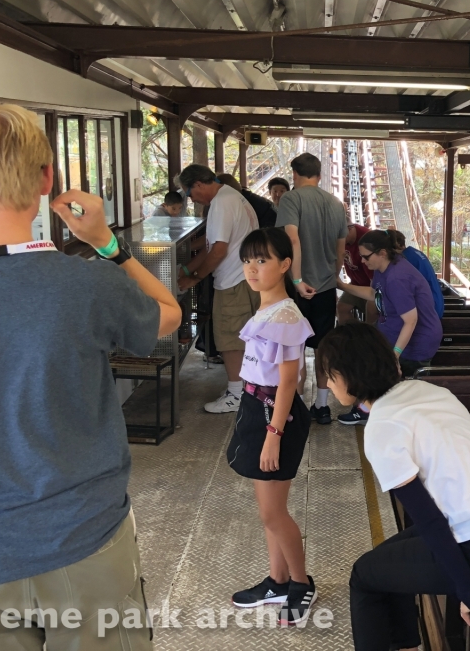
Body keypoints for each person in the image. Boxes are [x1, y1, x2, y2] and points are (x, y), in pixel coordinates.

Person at [0, 102, 182, 649]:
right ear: (46, 181)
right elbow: (169, 315)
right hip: (88, 540)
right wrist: (107, 242)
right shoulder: (86, 285)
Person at [316, 323, 470, 651]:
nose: (326, 382)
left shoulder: (382, 428)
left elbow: (428, 519)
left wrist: (469, 590)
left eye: (328, 373)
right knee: (382, 563)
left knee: (363, 577)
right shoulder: (429, 391)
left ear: (349, 374)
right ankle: (408, 646)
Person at [226, 228, 317, 625]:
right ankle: (277, 580)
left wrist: (273, 435)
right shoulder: (267, 309)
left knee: (272, 514)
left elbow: (287, 380)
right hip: (257, 406)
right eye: (248, 260)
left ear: (284, 265)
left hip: (273, 415)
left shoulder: (285, 315)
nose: (252, 268)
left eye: (262, 260)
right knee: (269, 511)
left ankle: (300, 583)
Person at [336, 230, 443, 425]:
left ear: (382, 253)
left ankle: (368, 410)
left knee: (376, 365)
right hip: (392, 329)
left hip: (415, 340)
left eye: (366, 257)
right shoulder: (383, 269)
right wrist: (342, 286)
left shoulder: (397, 278)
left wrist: (394, 354)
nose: (361, 262)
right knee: (363, 352)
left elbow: (411, 320)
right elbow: (374, 293)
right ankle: (367, 406)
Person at [176, 164, 260, 414]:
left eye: (189, 193)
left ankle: (236, 395)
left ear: (199, 184)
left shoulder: (222, 203)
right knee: (240, 339)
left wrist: (195, 278)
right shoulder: (232, 197)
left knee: (230, 341)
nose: (191, 198)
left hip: (234, 281)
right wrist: (188, 270)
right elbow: (212, 244)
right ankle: (246, 389)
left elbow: (218, 250)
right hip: (245, 278)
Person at [275, 153, 347, 426]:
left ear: (295, 174)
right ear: (319, 174)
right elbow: (340, 251)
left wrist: (296, 280)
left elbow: (292, 238)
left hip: (298, 287)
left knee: (294, 347)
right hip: (326, 288)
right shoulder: (335, 203)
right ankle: (322, 406)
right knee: (322, 348)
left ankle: (293, 407)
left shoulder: (292, 199)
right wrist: (332, 275)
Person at [388, 229, 445, 319]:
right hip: (436, 302)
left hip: (428, 308)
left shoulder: (405, 259)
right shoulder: (414, 252)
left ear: (397, 245)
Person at [339, 221, 379, 325]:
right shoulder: (342, 241)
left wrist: (342, 285)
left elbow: (373, 286)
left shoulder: (366, 241)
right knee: (341, 307)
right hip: (356, 282)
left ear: (350, 228)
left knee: (371, 310)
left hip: (371, 286)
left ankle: (367, 335)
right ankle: (352, 335)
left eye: (340, 234)